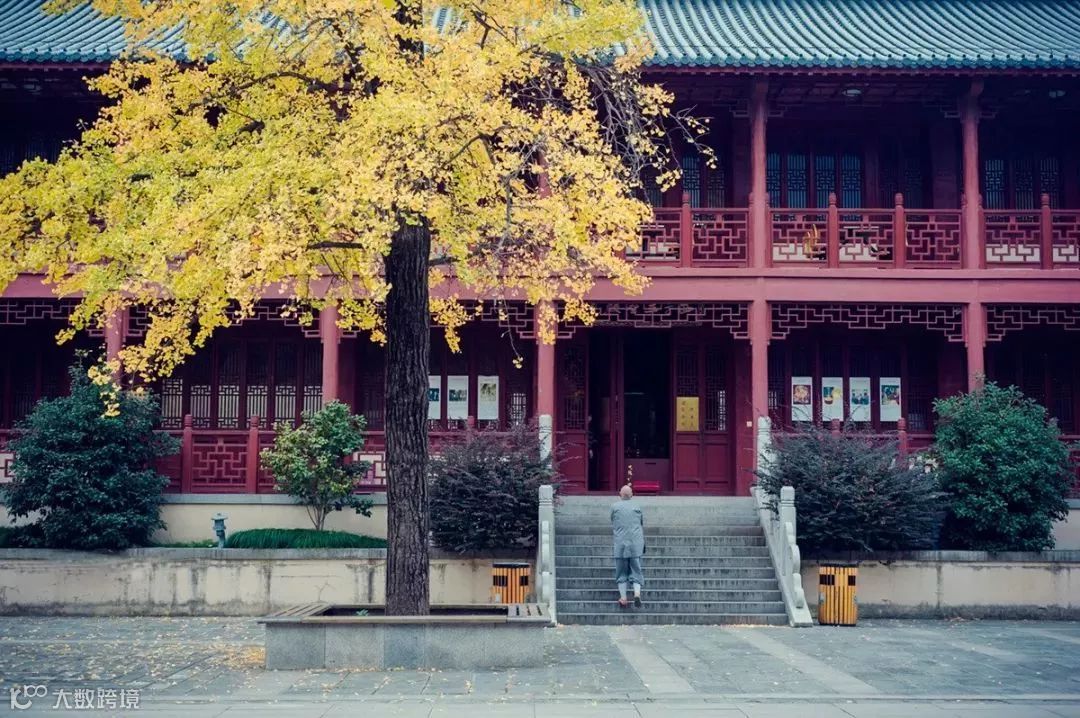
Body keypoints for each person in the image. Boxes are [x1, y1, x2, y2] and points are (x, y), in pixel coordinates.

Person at [611, 484, 644, 608]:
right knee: (636, 570)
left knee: (621, 572)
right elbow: (641, 522)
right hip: (635, 544)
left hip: (621, 544)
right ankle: (637, 593)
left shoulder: (614, 507)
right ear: (632, 495)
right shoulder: (637, 507)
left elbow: (612, 520)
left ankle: (624, 597)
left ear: (620, 494)